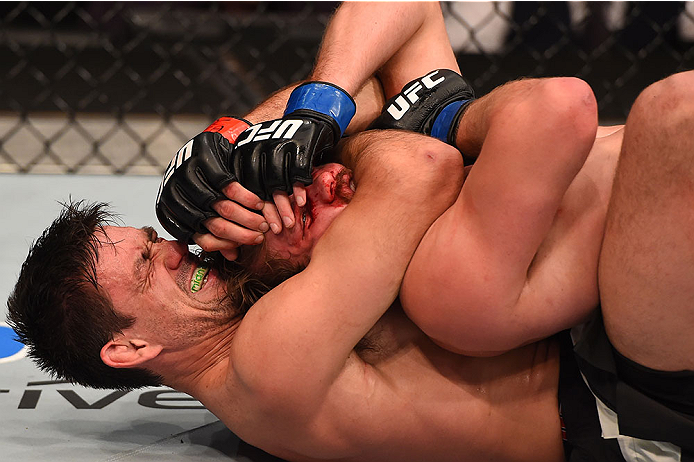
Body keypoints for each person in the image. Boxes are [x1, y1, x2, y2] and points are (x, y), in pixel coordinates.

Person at [7, 3, 572, 462]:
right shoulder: (265, 364)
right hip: (601, 396)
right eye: (146, 266)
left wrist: (250, 134)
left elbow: (379, 66)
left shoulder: (259, 296)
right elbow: (417, 168)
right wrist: (294, 151)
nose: (178, 250)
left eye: (155, 243)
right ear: (129, 347)